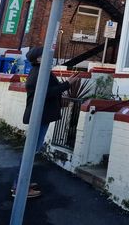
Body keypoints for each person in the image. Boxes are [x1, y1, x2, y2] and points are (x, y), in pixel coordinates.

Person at [11, 46, 80, 198]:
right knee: (31, 150)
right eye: (46, 54)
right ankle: (19, 187)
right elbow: (46, 93)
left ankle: (22, 183)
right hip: (39, 115)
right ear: (38, 59)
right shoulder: (39, 73)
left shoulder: (39, 71)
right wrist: (67, 84)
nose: (50, 56)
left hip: (41, 115)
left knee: (33, 149)